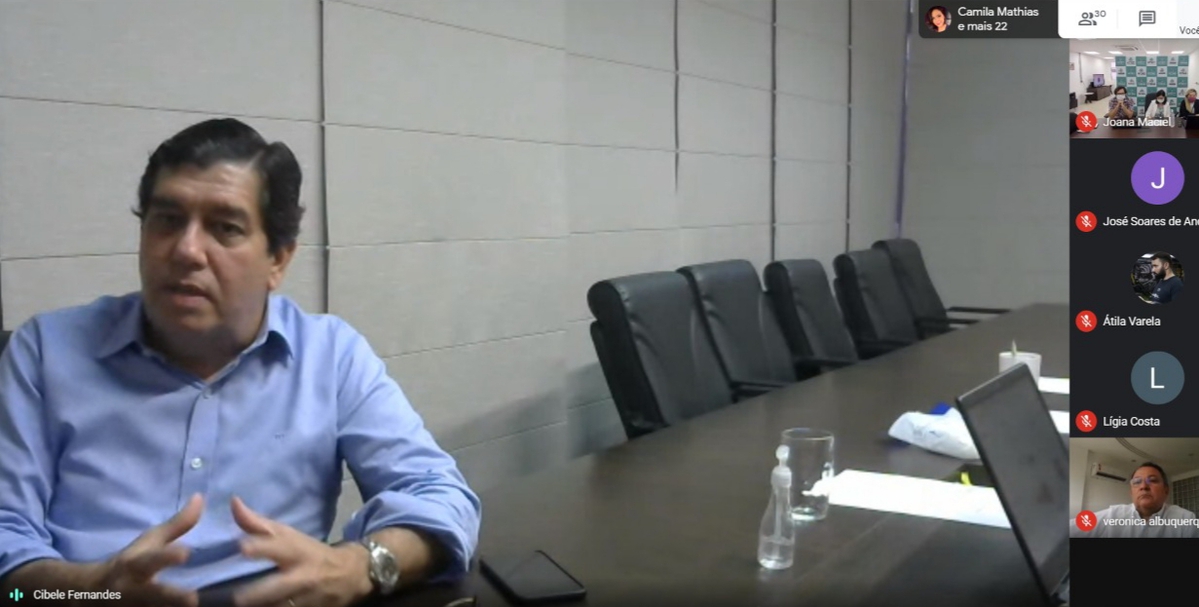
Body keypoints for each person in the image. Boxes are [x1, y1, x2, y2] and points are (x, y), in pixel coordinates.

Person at [0, 119, 482, 607]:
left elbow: (442, 497)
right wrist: (91, 590)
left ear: (278, 259)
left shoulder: (329, 356)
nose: (186, 250)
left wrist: (361, 566)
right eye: (167, 220)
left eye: (225, 228)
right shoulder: (46, 351)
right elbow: (13, 580)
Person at [1071, 463, 1199, 538]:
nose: (1143, 486)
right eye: (1137, 482)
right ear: (1131, 492)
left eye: (1153, 480)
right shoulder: (1112, 515)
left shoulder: (1185, 519)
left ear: (1166, 490)